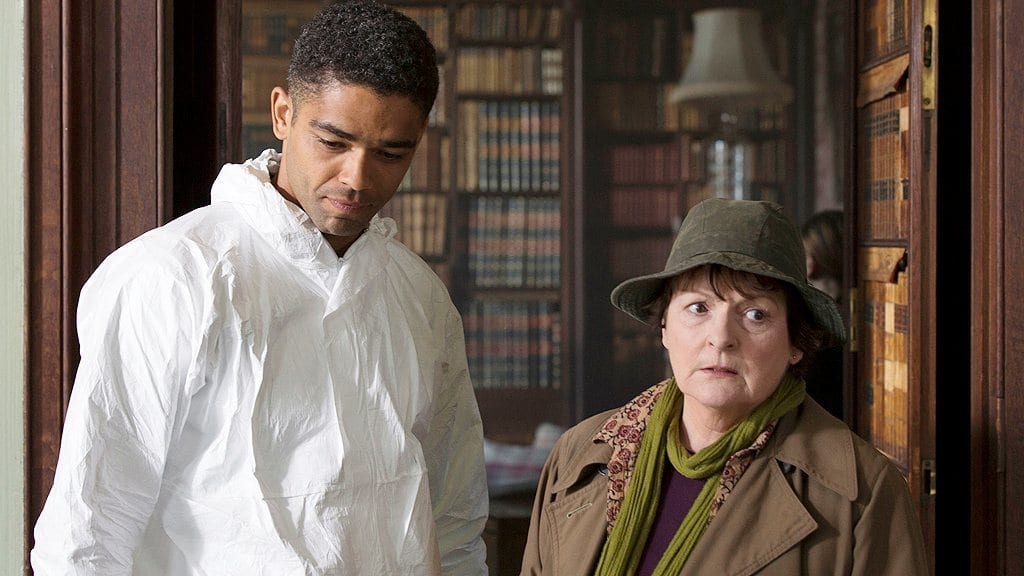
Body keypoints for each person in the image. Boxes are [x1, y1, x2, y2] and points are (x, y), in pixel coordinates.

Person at [31, 2, 488, 574]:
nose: (357, 177)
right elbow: (89, 529)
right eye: (333, 142)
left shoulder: (419, 296)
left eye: (390, 153)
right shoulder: (173, 276)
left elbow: (453, 517)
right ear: (283, 113)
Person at [520, 198, 927, 575]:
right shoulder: (579, 457)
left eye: (755, 314)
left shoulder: (863, 494)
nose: (721, 338)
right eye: (698, 308)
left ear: (796, 344)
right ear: (664, 327)